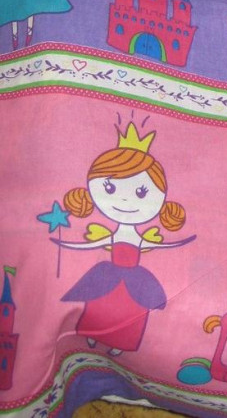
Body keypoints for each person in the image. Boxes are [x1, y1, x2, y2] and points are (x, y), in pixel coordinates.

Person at [59, 121, 194, 355]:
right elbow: (95, 243)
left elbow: (152, 243)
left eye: (141, 192)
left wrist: (177, 242)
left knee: (132, 311)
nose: (124, 200)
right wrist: (67, 243)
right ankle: (91, 336)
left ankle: (120, 344)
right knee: (99, 302)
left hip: (133, 280)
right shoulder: (113, 235)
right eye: (110, 189)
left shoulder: (138, 237)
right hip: (110, 274)